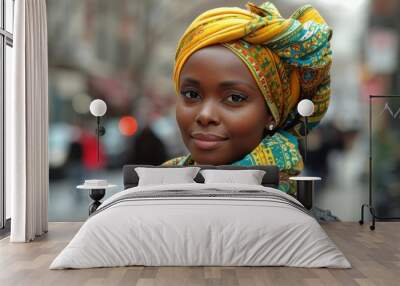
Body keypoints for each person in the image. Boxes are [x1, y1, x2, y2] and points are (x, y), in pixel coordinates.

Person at [162, 1, 332, 195]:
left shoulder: (287, 210)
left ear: (271, 114)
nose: (205, 115)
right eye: (192, 94)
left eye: (234, 98)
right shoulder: (155, 190)